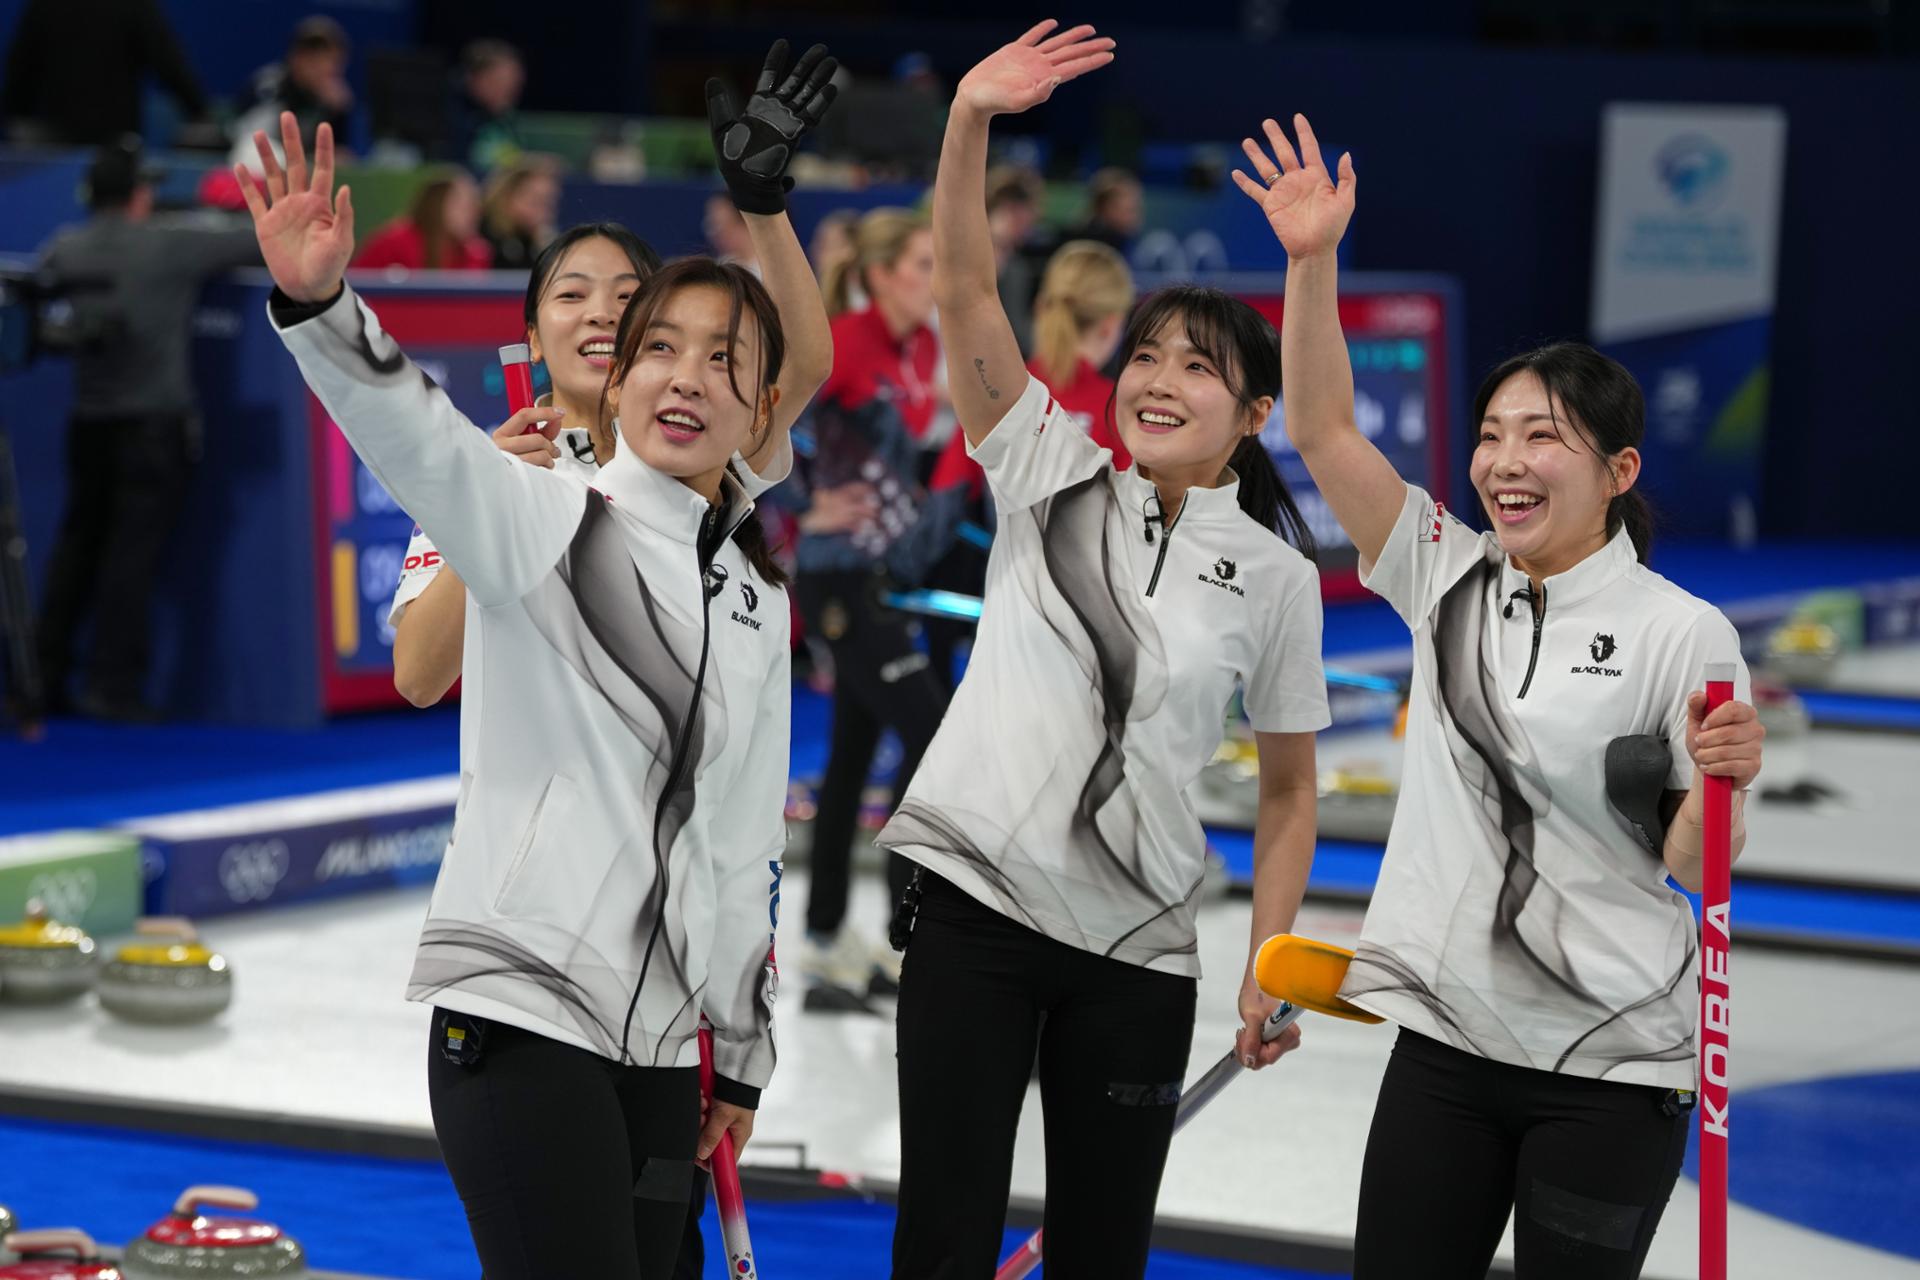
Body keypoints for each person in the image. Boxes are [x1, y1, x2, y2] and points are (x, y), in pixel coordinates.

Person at [236, 51, 831, 1273]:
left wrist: (741, 1045)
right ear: (617, 369)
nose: (683, 374)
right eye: (657, 345)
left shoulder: (753, 590)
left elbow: (742, 838)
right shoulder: (542, 508)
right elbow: (419, 438)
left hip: (670, 1044)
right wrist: (321, 308)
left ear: (758, 408)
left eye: (723, 361)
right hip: (522, 1011)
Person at [1235, 113, 1766, 1279]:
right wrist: (1311, 258)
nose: (1505, 461)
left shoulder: (1687, 631)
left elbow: (1690, 858)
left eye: (1545, 437)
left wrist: (1727, 775)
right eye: (1490, 435)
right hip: (1446, 1045)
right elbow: (1322, 426)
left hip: (1613, 1064)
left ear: (1621, 472)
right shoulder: (1447, 571)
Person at [882, 25, 1328, 1278]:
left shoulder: (1279, 576)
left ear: (1252, 416)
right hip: (975, 910)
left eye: (1199, 367)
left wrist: (1268, 966)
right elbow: (970, 296)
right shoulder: (1048, 469)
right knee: (946, 1235)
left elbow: (1289, 794)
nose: (1158, 379)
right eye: (1145, 355)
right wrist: (968, 119)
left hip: (1141, 950)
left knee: (1100, 1252)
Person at [34, 139, 261, 721]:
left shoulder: (65, 248)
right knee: (130, 558)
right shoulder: (166, 245)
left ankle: (41, 678)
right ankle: (112, 688)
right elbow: (258, 240)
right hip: (151, 428)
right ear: (139, 195)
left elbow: (39, 301)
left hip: (89, 426)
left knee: (76, 550)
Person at [796, 205, 958, 1011]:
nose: (935, 281)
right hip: (837, 579)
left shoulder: (923, 348)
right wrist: (802, 505)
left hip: (888, 577)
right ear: (884, 272)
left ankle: (827, 937)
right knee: (931, 736)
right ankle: (907, 936)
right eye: (924, 265)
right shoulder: (842, 341)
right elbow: (765, 424)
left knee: (853, 759)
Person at [930, 235, 1135, 501]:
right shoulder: (1118, 409)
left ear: (1042, 307)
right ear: (1111, 324)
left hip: (994, 541)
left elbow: (946, 493)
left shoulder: (999, 390)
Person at [2, 0, 210, 146]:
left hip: (98, 144)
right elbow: (169, 63)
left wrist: (14, 118)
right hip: (95, 141)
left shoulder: (43, 4)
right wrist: (200, 113)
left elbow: (19, 72)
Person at [229, 17, 354, 170]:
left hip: (302, 175)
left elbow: (338, 152)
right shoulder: (270, 87)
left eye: (329, 59)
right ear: (295, 57)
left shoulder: (335, 100)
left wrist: (337, 112)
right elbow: (255, 145)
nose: (322, 66)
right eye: (312, 57)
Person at [352, 168, 492, 272]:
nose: (473, 212)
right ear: (436, 206)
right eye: (463, 205)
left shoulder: (475, 252)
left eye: (475, 205)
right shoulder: (393, 242)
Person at [447, 39, 527, 174]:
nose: (508, 91)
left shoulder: (504, 120)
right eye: (498, 82)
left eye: (515, 84)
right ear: (473, 79)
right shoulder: (452, 119)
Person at [479, 156, 560, 273]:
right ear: (507, 197)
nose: (544, 211)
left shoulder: (538, 243)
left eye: (549, 202)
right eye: (535, 200)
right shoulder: (482, 239)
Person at [1069, 166, 1146, 256]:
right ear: (1103, 208)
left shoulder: (1128, 243)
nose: (1135, 217)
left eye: (1137, 208)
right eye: (1129, 209)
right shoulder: (1084, 249)